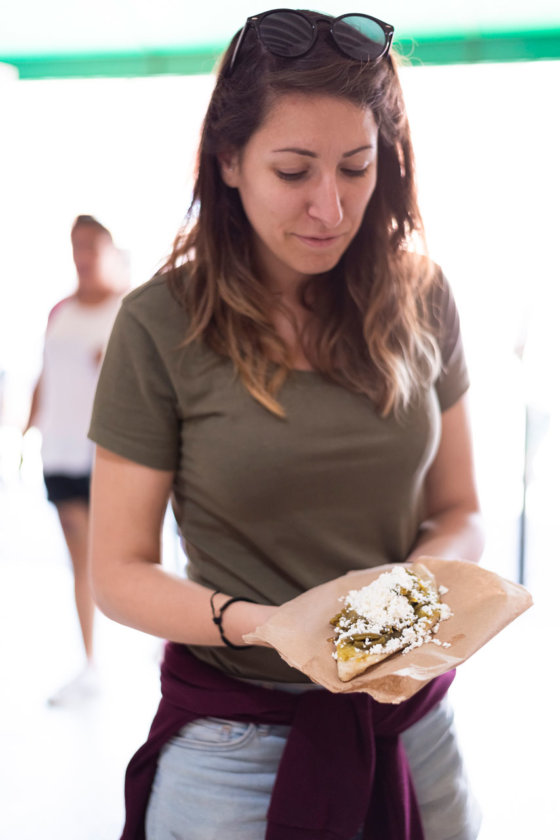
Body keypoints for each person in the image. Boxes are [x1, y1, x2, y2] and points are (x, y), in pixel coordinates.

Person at [88, 10, 484, 840]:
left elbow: (461, 510)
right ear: (229, 161)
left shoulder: (422, 296)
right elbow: (119, 573)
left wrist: (411, 594)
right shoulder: (162, 323)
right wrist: (268, 626)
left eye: (357, 167)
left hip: (413, 731)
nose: (330, 207)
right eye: (295, 170)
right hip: (234, 746)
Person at [25, 214, 127, 705]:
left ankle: (159, 648)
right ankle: (90, 664)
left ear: (107, 249)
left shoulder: (126, 311)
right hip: (59, 448)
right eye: (75, 246)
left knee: (117, 555)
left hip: (109, 452)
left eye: (90, 245)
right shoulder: (60, 311)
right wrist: (27, 431)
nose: (82, 255)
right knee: (79, 557)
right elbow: (45, 375)